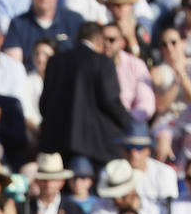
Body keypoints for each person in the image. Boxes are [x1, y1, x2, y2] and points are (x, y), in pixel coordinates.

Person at [39, 21, 132, 167]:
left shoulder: (55, 62)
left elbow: (44, 105)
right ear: (99, 40)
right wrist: (129, 122)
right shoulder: (103, 62)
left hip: (57, 145)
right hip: (95, 147)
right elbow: (110, 101)